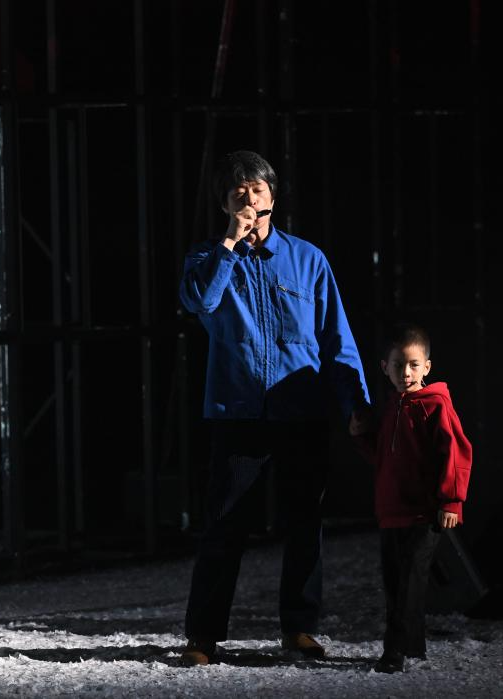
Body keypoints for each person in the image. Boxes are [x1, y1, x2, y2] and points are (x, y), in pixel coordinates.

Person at [178, 150, 371, 666]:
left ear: (273, 196)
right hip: (238, 412)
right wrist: (229, 244)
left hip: (300, 409)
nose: (249, 199)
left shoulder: (307, 259)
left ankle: (300, 627)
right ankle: (203, 636)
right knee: (224, 525)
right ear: (225, 203)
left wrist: (357, 403)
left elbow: (336, 338)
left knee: (305, 522)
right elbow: (201, 303)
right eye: (238, 192)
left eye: (257, 189)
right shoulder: (205, 258)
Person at [350, 324, 473, 673]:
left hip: (423, 514)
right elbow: (383, 459)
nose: (406, 372)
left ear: (426, 367)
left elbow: (456, 453)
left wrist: (451, 501)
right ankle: (413, 646)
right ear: (384, 368)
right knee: (395, 583)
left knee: (409, 583)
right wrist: (361, 438)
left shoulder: (435, 405)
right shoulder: (392, 407)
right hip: (392, 514)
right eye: (398, 365)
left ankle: (394, 652)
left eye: (414, 365)